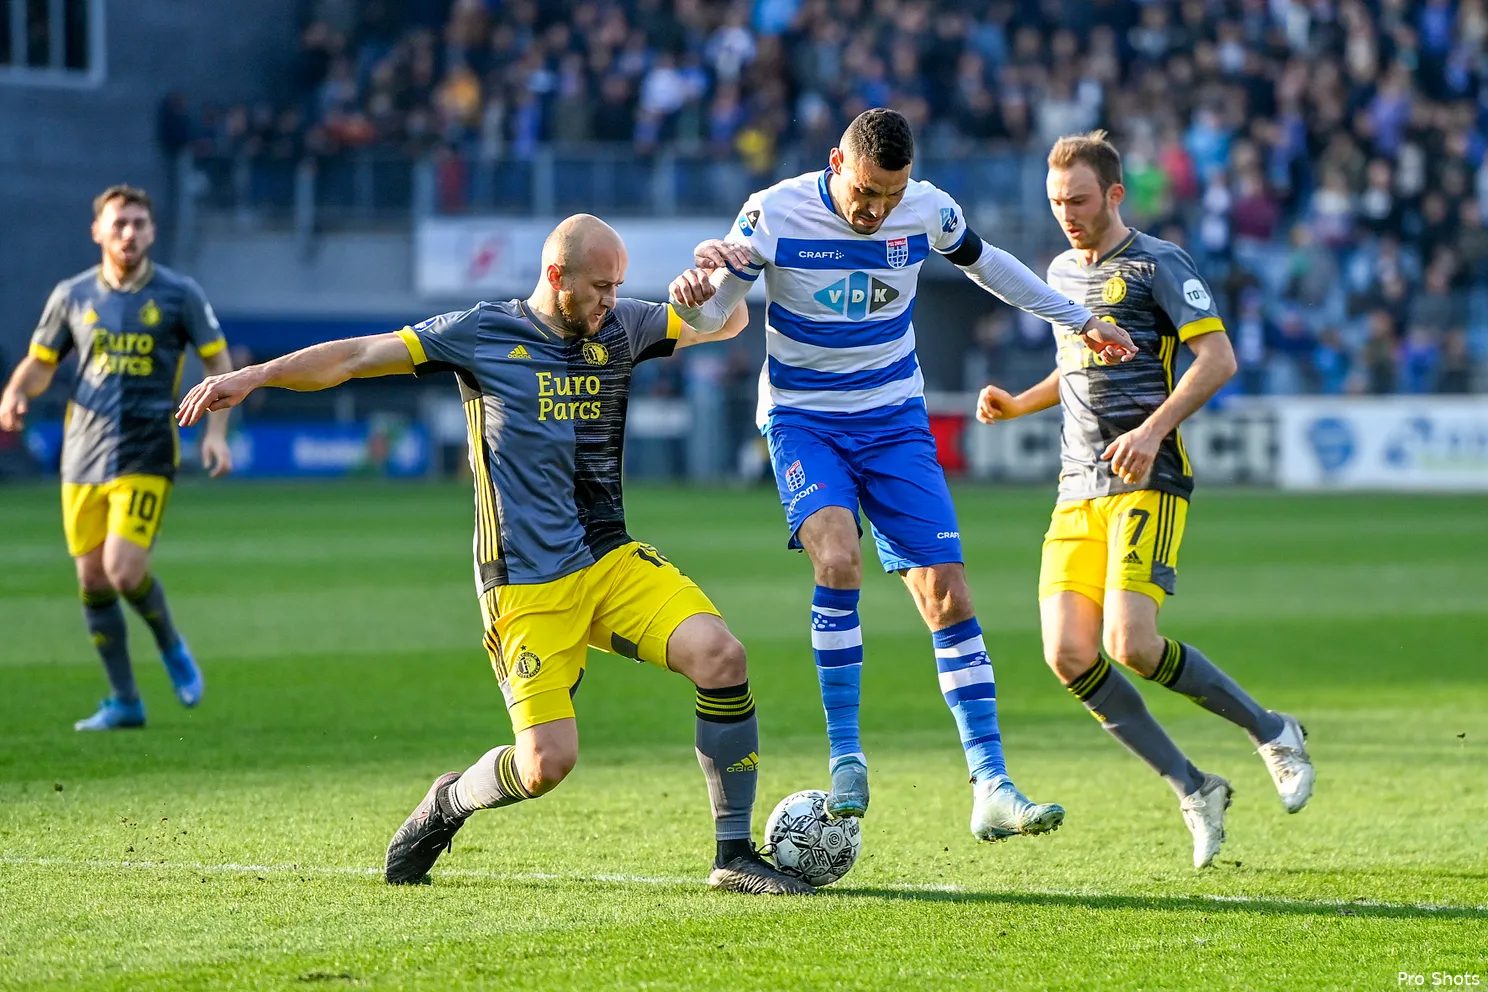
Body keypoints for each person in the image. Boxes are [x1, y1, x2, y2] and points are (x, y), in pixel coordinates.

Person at [177, 215, 813, 895]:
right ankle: (450, 801)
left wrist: (712, 287)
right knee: (545, 766)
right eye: (600, 286)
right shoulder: (482, 334)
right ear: (555, 277)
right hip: (524, 581)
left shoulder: (624, 325)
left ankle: (733, 855)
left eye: (619, 285)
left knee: (723, 656)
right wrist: (255, 377)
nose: (611, 299)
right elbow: (358, 357)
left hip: (610, 560)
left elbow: (725, 323)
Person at [668, 107, 1136, 841]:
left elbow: (995, 270)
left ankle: (992, 785)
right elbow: (714, 312)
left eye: (891, 194)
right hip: (804, 419)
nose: (876, 209)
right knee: (839, 557)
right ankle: (847, 756)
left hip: (894, 420)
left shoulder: (928, 210)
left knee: (947, 594)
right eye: (865, 192)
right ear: (835, 164)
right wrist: (692, 298)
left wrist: (1079, 319)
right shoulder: (773, 212)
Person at [975, 131, 1315, 868]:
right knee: (1068, 655)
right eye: (1056, 201)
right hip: (1075, 489)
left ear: (1116, 194)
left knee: (1130, 643)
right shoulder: (1061, 270)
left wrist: (1153, 432)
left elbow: (1218, 359)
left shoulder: (1160, 264)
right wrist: (1016, 403)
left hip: (1145, 480)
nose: (1067, 213)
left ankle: (1271, 731)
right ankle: (1195, 788)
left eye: (1080, 200)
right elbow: (1073, 365)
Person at [0, 185, 234, 731]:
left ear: (152, 232)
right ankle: (125, 700)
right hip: (81, 453)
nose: (128, 233)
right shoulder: (72, 295)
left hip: (148, 447)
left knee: (123, 570)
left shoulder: (180, 294)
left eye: (138, 223)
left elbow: (218, 363)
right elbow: (41, 364)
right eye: (119, 223)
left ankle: (172, 645)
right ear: (98, 231)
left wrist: (217, 432)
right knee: (93, 581)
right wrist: (15, 391)